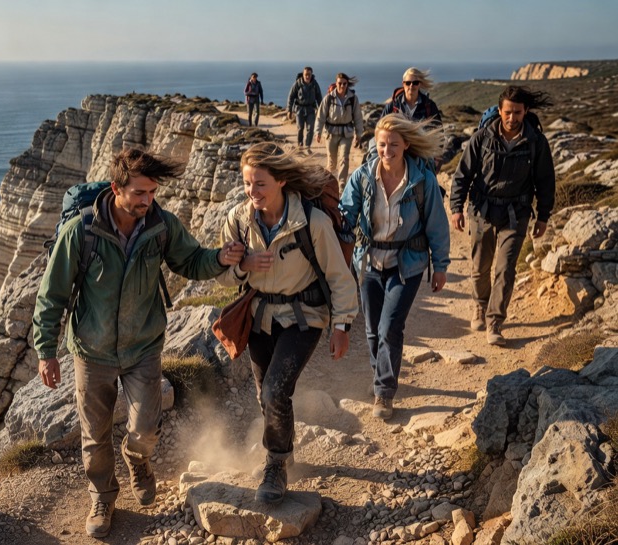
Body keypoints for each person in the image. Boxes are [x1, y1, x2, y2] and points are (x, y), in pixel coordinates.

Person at [33, 148, 244, 538]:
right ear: (117, 189)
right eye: (140, 193)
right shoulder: (81, 231)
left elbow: (191, 261)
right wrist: (46, 351)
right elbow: (52, 295)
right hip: (91, 352)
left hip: (144, 346)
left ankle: (137, 460)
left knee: (144, 429)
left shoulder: (160, 225)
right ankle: (102, 497)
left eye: (152, 193)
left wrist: (221, 258)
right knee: (95, 437)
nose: (148, 201)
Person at [218, 141, 357, 504]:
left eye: (260, 183)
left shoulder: (312, 221)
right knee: (267, 395)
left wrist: (341, 326)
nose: (252, 192)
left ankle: (276, 466)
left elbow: (339, 277)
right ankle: (284, 449)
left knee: (274, 391)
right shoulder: (238, 220)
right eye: (248, 183)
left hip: (304, 317)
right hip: (259, 317)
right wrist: (241, 266)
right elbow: (222, 277)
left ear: (280, 181)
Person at [339, 114, 451, 419]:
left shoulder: (422, 181)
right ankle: (381, 381)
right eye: (382, 144)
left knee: (390, 327)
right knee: (373, 331)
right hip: (369, 263)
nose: (387, 150)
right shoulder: (362, 177)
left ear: (406, 146)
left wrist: (440, 266)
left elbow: (437, 226)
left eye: (394, 145)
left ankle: (384, 392)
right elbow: (344, 214)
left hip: (407, 264)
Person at [450, 86, 555, 346]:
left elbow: (545, 181)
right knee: (480, 267)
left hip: (516, 213)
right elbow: (462, 175)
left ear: (525, 111)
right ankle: (479, 305)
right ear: (499, 111)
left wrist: (543, 216)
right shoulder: (482, 137)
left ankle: (495, 321)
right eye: (507, 112)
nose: (512, 118)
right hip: (482, 210)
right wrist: (456, 208)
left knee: (506, 269)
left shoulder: (536, 142)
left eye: (517, 112)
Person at [381, 67, 453, 168]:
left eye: (415, 83)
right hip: (397, 155)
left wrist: (437, 157)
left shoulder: (429, 106)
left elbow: (439, 132)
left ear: (420, 84)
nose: (411, 86)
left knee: (427, 182)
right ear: (403, 84)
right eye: (408, 83)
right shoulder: (392, 107)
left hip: (423, 156)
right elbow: (380, 130)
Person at [315, 72, 364, 184]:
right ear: (336, 83)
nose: (342, 86)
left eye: (344, 84)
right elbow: (321, 116)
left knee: (344, 159)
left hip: (346, 134)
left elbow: (358, 117)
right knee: (332, 162)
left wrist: (359, 133)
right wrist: (318, 132)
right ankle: (330, 185)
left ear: (347, 84)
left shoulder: (353, 99)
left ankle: (342, 185)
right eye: (340, 83)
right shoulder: (329, 98)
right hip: (331, 133)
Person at [287, 67, 323, 152]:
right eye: (306, 74)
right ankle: (300, 145)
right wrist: (289, 110)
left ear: (311, 75)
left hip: (311, 109)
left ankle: (307, 147)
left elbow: (319, 97)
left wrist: (320, 109)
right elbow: (291, 96)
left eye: (309, 74)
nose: (307, 76)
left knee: (310, 129)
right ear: (303, 75)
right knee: (300, 128)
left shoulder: (314, 84)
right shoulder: (298, 84)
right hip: (300, 109)